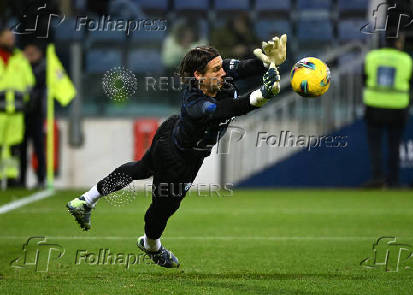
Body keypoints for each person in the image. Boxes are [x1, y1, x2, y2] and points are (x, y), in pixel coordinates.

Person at [67, 35, 287, 268]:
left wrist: (268, 61)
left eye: (221, 66)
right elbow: (225, 109)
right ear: (199, 76)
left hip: (171, 132)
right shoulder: (196, 103)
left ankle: (86, 200)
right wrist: (261, 96)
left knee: (141, 168)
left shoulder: (218, 75)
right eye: (216, 69)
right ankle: (150, 245)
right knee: (164, 208)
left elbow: (242, 67)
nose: (223, 72)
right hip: (178, 159)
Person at [363, 34, 413, 188]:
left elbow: (363, 79)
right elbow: (412, 83)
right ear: (398, 42)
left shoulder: (372, 57)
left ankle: (377, 178)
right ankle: (394, 181)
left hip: (374, 107)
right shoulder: (406, 59)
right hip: (397, 108)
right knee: (394, 147)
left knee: (375, 146)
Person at [0, 26, 35, 186]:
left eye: (12, 38)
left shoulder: (20, 59)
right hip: (0, 111)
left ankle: (11, 176)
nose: (10, 40)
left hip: (17, 112)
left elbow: (29, 83)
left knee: (14, 147)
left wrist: (25, 101)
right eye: (7, 37)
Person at [21, 42, 46, 188]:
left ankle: (41, 179)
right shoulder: (19, 68)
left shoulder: (42, 69)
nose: (29, 57)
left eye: (32, 53)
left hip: (36, 114)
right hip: (21, 114)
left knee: (39, 148)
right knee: (21, 149)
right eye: (27, 53)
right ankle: (20, 180)